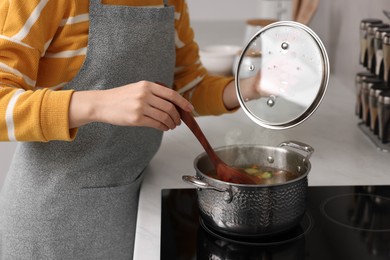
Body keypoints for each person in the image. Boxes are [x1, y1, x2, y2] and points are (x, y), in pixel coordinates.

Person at [0, 0, 263, 259]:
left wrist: (250, 88)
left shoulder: (172, 4)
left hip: (134, 205)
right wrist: (99, 103)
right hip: (51, 220)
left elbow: (183, 87)